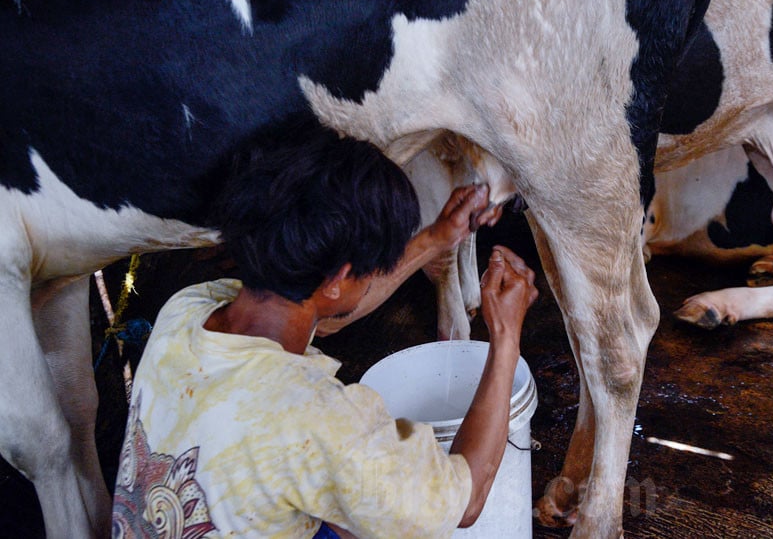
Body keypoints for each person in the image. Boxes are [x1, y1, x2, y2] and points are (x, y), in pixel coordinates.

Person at [110, 115, 538, 539]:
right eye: (373, 269)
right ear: (335, 280)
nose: (375, 275)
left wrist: (434, 239)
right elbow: (465, 502)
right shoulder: (315, 419)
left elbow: (327, 316)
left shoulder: (187, 311)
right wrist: (505, 339)